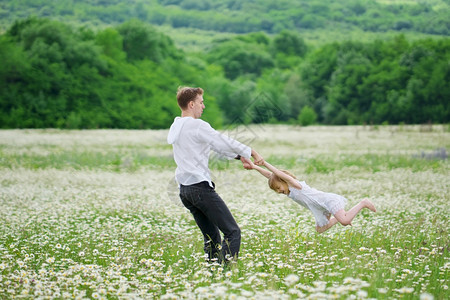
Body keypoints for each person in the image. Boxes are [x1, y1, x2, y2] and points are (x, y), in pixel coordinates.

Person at [167, 86, 263, 264]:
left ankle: (213, 276)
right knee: (233, 232)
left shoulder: (177, 126)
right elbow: (221, 140)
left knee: (212, 238)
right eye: (201, 103)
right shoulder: (197, 125)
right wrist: (250, 151)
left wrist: (239, 156)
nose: (203, 106)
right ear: (191, 104)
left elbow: (215, 146)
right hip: (199, 188)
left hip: (185, 191)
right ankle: (224, 274)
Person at [246, 160, 376, 233]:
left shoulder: (295, 185)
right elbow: (270, 176)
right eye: (276, 191)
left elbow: (276, 173)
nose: (279, 191)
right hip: (320, 207)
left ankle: (363, 203)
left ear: (284, 181)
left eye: (279, 188)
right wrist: (254, 167)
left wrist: (265, 163)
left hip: (327, 201)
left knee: (345, 222)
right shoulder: (288, 191)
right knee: (320, 229)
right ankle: (341, 215)